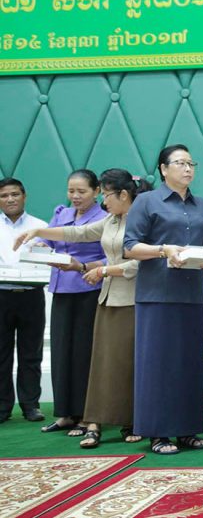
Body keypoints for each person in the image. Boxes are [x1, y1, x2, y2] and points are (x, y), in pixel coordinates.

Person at [15, 169, 149, 449]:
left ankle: (130, 421)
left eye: (107, 195)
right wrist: (38, 231)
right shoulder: (111, 220)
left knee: (126, 364)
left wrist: (104, 270)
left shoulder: (143, 221)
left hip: (132, 299)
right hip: (107, 299)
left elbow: (141, 263)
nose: (104, 202)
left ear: (124, 195)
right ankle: (94, 422)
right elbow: (79, 233)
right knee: (101, 364)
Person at [124, 144, 203, 455]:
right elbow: (130, 247)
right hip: (157, 295)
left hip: (192, 294)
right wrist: (163, 250)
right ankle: (159, 433)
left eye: (191, 163)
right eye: (180, 163)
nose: (188, 168)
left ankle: (187, 430)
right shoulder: (146, 201)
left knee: (188, 363)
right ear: (164, 169)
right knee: (158, 364)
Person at [39, 169, 107, 436]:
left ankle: (85, 414)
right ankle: (65, 413)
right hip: (61, 289)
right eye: (71, 191)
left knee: (83, 352)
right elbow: (46, 239)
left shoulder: (103, 218)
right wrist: (41, 247)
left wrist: (83, 266)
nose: (75, 196)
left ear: (96, 191)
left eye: (82, 191)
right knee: (61, 351)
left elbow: (110, 256)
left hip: (88, 288)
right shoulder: (61, 213)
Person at [0, 178, 48, 424]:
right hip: (1, 295)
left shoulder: (40, 227)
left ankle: (31, 405)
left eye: (15, 194)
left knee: (31, 353)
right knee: (1, 354)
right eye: (4, 195)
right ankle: (2, 407)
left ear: (24, 196)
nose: (10, 199)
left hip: (31, 294)